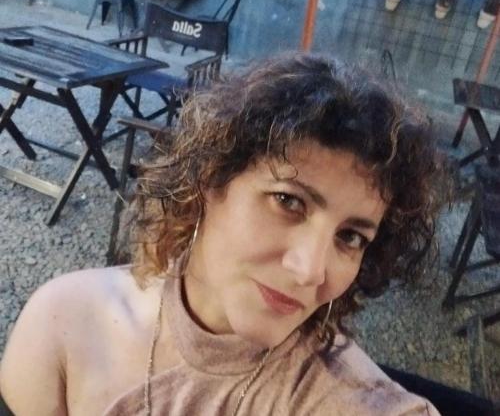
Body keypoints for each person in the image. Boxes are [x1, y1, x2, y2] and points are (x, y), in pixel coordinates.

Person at [0, 53, 445, 415]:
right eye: (288, 201)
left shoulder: (343, 397)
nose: (310, 271)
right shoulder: (64, 323)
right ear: (208, 182)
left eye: (350, 238)